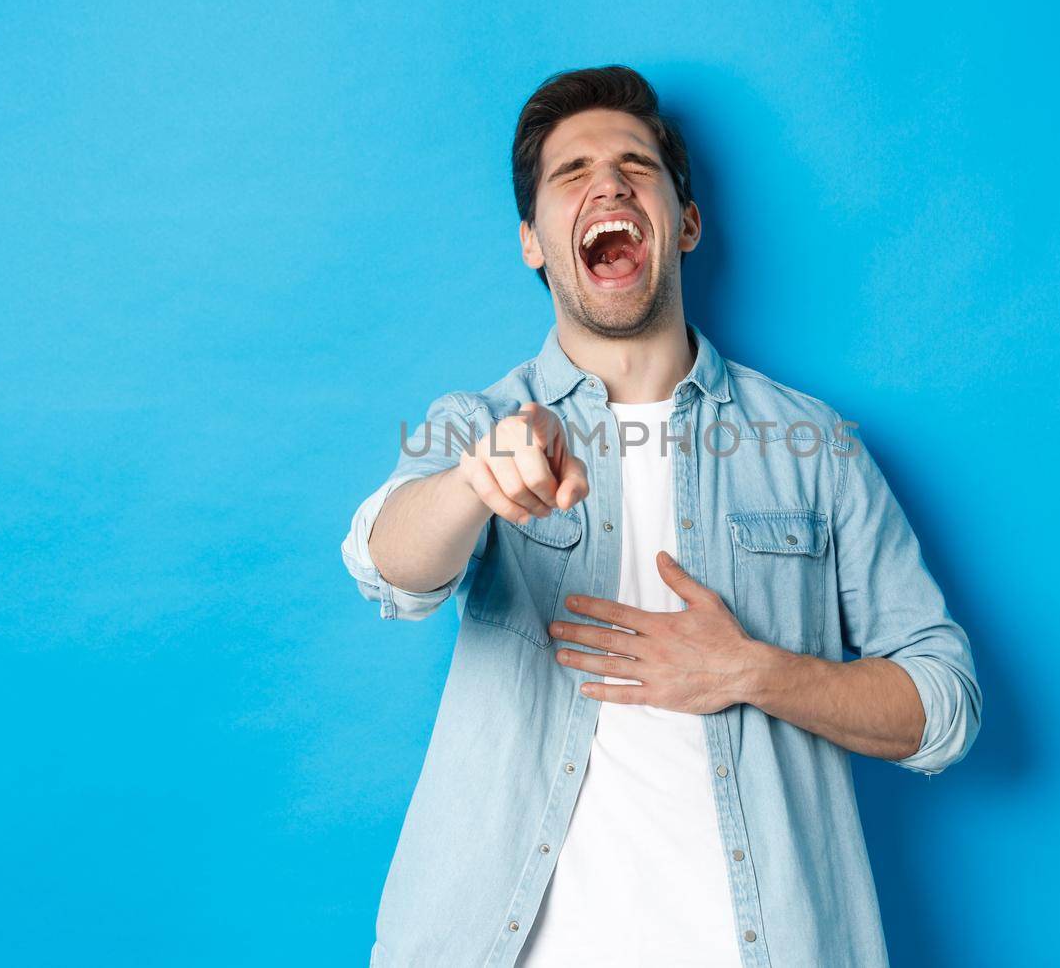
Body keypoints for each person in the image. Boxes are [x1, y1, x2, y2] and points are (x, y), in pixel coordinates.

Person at [340, 65, 981, 968]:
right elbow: (384, 561)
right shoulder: (478, 425)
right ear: (533, 240)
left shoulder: (814, 446)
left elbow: (945, 705)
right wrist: (475, 485)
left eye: (636, 165)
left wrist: (754, 670)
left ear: (684, 222)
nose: (608, 182)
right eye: (573, 174)